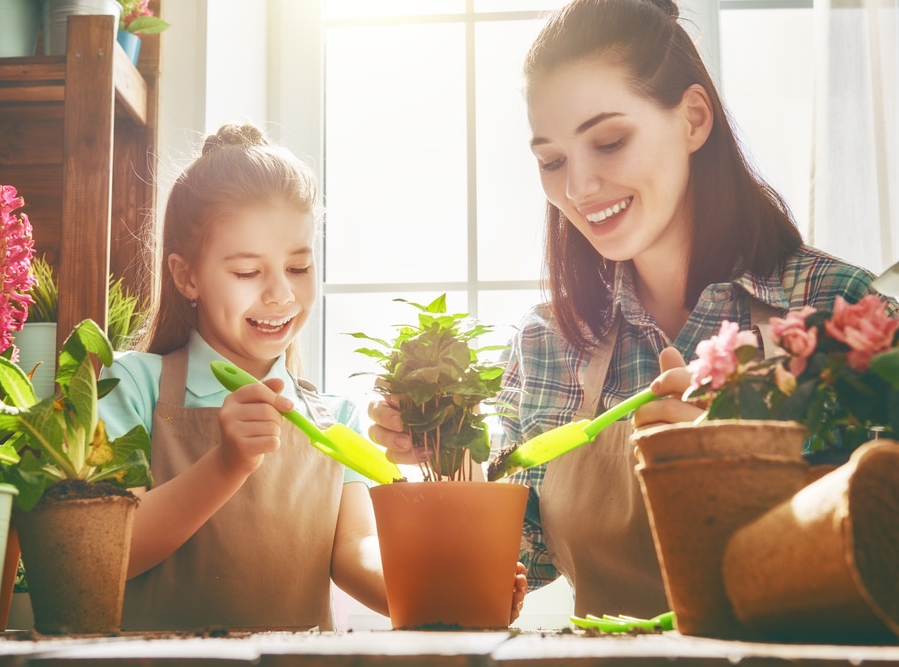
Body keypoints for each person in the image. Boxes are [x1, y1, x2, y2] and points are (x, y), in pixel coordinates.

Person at [367, 0, 895, 619]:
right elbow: (513, 568)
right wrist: (448, 453)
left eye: (610, 141)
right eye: (552, 160)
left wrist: (730, 462)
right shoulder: (547, 345)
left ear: (694, 119)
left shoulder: (838, 310)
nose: (578, 187)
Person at [97, 123, 390, 631]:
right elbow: (108, 554)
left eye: (298, 268)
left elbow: (355, 554)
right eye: (247, 272)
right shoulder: (131, 386)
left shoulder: (337, 418)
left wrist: (443, 591)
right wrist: (229, 462)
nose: (281, 295)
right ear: (186, 276)